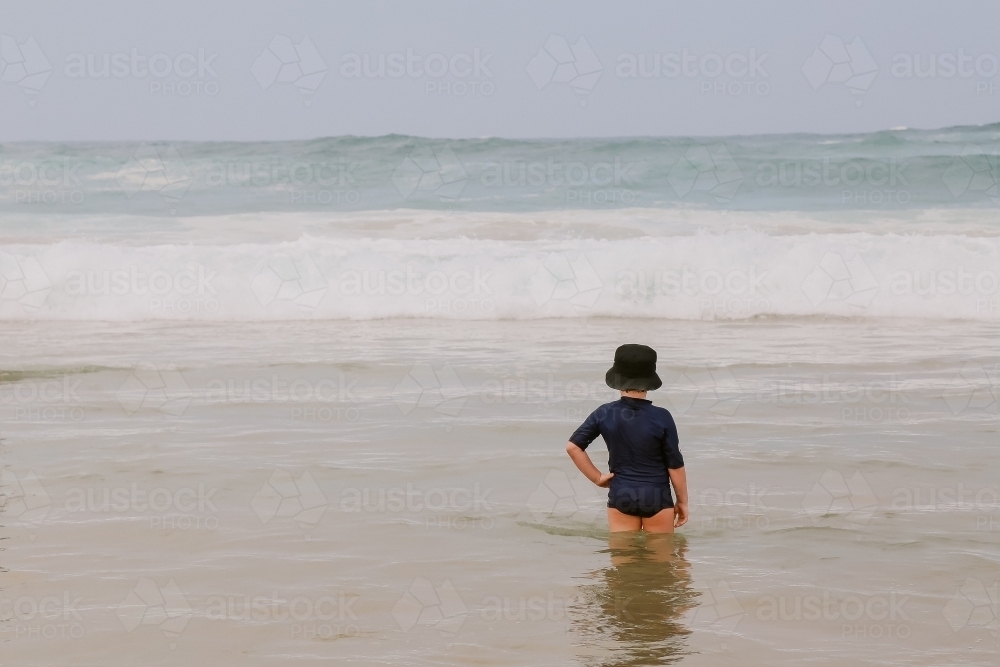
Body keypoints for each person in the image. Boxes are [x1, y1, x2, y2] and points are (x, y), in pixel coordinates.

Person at [565, 344, 688, 533]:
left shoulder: (604, 413)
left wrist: (597, 478)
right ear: (650, 379)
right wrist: (682, 502)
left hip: (621, 495)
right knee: (661, 561)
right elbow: (674, 464)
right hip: (656, 496)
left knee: (623, 560)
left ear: (617, 376)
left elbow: (573, 447)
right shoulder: (662, 416)